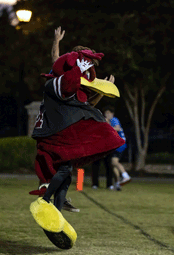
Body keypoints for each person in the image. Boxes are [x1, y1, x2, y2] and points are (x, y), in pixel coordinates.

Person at [30, 28, 125, 217]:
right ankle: (47, 198)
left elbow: (86, 104)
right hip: (55, 126)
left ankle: (57, 207)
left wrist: (100, 91)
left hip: (60, 126)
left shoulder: (79, 81)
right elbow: (55, 58)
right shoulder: (62, 75)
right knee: (63, 167)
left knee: (66, 169)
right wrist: (56, 40)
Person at [103, 106, 131, 191]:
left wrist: (108, 124)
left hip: (120, 143)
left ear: (112, 114)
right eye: (106, 113)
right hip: (116, 144)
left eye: (108, 113)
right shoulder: (109, 121)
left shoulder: (114, 120)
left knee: (114, 162)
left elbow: (117, 128)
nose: (107, 114)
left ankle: (125, 176)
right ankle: (118, 183)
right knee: (113, 163)